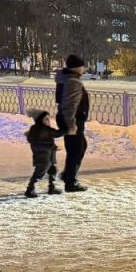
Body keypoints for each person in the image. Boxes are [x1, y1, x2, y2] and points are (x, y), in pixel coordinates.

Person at [55, 55, 91, 192]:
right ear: (77, 68)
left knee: (78, 147)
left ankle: (68, 175)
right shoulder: (73, 82)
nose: (83, 69)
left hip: (68, 119)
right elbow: (70, 105)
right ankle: (70, 182)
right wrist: (71, 126)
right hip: (72, 120)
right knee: (76, 150)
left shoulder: (65, 79)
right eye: (82, 66)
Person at [24, 109, 64, 198]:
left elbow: (52, 136)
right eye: (46, 119)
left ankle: (52, 187)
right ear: (40, 120)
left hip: (49, 155)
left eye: (48, 119)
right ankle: (30, 189)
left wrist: (53, 147)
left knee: (53, 170)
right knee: (40, 172)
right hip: (42, 156)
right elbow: (56, 134)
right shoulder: (40, 129)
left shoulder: (43, 129)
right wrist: (66, 127)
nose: (48, 121)